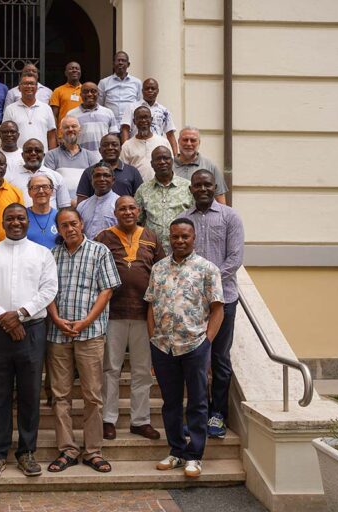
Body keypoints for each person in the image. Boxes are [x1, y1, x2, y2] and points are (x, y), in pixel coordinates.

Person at [0, 203, 58, 478]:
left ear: (27, 221)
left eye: (21, 218)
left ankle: (26, 452)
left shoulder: (42, 254)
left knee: (30, 393)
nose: (16, 222)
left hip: (31, 331)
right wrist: (4, 318)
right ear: (3, 222)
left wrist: (20, 314)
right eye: (10, 218)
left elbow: (49, 289)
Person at [145, 218, 224, 478]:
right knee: (170, 402)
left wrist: (207, 343)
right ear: (169, 238)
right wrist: (153, 339)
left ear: (193, 238)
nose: (179, 241)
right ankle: (177, 451)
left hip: (194, 345)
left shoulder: (207, 269)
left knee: (198, 402)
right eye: (175, 236)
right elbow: (151, 306)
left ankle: (195, 455)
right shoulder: (158, 268)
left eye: (185, 236)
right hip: (163, 347)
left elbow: (218, 310)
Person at [46, 208, 121, 474]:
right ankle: (67, 449)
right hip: (58, 334)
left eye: (73, 223)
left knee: (92, 395)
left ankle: (93, 451)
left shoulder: (100, 251)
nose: (70, 229)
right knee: (60, 395)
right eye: (64, 225)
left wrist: (86, 321)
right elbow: (47, 291)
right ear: (58, 229)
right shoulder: (52, 255)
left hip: (90, 334)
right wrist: (56, 319)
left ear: (82, 224)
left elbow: (106, 291)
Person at [179, 169, 244, 439]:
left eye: (208, 185)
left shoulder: (230, 217)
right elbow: (180, 257)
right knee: (194, 360)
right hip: (192, 304)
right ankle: (198, 414)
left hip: (223, 300)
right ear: (191, 189)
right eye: (198, 185)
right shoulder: (184, 220)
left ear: (215, 187)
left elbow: (235, 258)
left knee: (219, 358)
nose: (203, 189)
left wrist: (208, 285)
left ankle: (217, 414)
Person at [95, 196, 164, 441]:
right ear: (115, 212)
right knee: (110, 369)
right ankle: (108, 419)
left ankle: (140, 421)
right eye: (122, 208)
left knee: (142, 370)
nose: (127, 212)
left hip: (144, 314)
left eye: (132, 208)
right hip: (112, 313)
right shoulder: (103, 237)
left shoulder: (152, 237)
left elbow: (162, 272)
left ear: (139, 211)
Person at [135, 146, 193, 252]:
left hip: (182, 250)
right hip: (152, 251)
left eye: (166, 158)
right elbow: (137, 222)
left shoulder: (187, 187)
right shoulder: (143, 190)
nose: (162, 162)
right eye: (158, 159)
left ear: (172, 161)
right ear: (152, 164)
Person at [43, 116, 100, 201]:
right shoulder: (51, 155)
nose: (70, 129)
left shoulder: (90, 156)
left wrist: (80, 202)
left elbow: (95, 184)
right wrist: (67, 202)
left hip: (86, 204)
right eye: (66, 127)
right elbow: (49, 183)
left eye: (74, 126)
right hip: (60, 204)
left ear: (80, 130)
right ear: (60, 131)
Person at [6, 138, 71, 210]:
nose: (33, 153)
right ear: (22, 155)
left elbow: (65, 208)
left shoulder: (56, 177)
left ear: (43, 155)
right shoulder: (11, 177)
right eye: (29, 151)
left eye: (37, 151)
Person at [76, 133, 144, 201]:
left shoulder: (132, 172)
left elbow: (140, 200)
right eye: (105, 145)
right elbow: (82, 202)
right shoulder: (89, 172)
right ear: (100, 150)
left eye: (114, 145)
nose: (110, 148)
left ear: (120, 149)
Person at [120, 78, 178, 156]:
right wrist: (125, 149)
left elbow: (170, 134)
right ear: (142, 91)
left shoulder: (164, 111)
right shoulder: (131, 108)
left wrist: (175, 156)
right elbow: (125, 129)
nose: (150, 91)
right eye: (147, 88)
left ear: (157, 91)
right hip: (136, 149)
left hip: (158, 150)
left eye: (153, 88)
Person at [173, 126, 228, 204]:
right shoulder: (168, 166)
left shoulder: (209, 166)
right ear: (178, 141)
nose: (188, 143)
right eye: (185, 140)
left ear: (199, 143)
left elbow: (220, 199)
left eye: (193, 140)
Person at [3, 72, 57, 150]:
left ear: (37, 87)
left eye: (32, 84)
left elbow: (51, 135)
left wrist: (52, 155)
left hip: (41, 155)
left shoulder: (46, 108)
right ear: (19, 88)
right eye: (25, 84)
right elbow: (5, 135)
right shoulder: (10, 109)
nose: (29, 86)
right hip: (17, 156)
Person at [119, 105, 172, 182]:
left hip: (160, 185)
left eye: (146, 117)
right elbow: (124, 171)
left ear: (151, 120)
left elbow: (171, 166)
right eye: (140, 118)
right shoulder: (127, 146)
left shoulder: (163, 142)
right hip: (136, 187)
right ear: (134, 121)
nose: (143, 120)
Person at [66, 82, 118, 152]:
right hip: (80, 156)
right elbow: (69, 139)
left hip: (103, 156)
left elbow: (114, 137)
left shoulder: (108, 112)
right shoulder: (71, 114)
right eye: (85, 92)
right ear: (80, 95)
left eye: (93, 91)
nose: (89, 94)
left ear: (98, 94)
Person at [98, 51, 142, 127]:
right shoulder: (104, 83)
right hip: (110, 125)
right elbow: (99, 105)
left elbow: (139, 104)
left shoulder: (137, 82)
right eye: (118, 60)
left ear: (128, 64)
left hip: (131, 124)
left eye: (123, 60)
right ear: (113, 64)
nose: (120, 63)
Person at [76, 162, 119, 239]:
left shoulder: (120, 204)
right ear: (91, 180)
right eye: (97, 175)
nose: (102, 179)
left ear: (113, 180)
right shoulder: (82, 206)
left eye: (106, 175)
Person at [26, 174, 58, 249]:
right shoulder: (22, 217)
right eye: (36, 187)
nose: (41, 191)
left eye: (45, 187)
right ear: (29, 192)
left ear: (52, 191)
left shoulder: (60, 217)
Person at [50, 62, 82, 133]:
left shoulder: (85, 91)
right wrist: (56, 133)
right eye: (71, 68)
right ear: (65, 73)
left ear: (80, 72)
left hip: (81, 132)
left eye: (77, 69)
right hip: (64, 133)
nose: (74, 70)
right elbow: (54, 115)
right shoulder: (58, 91)